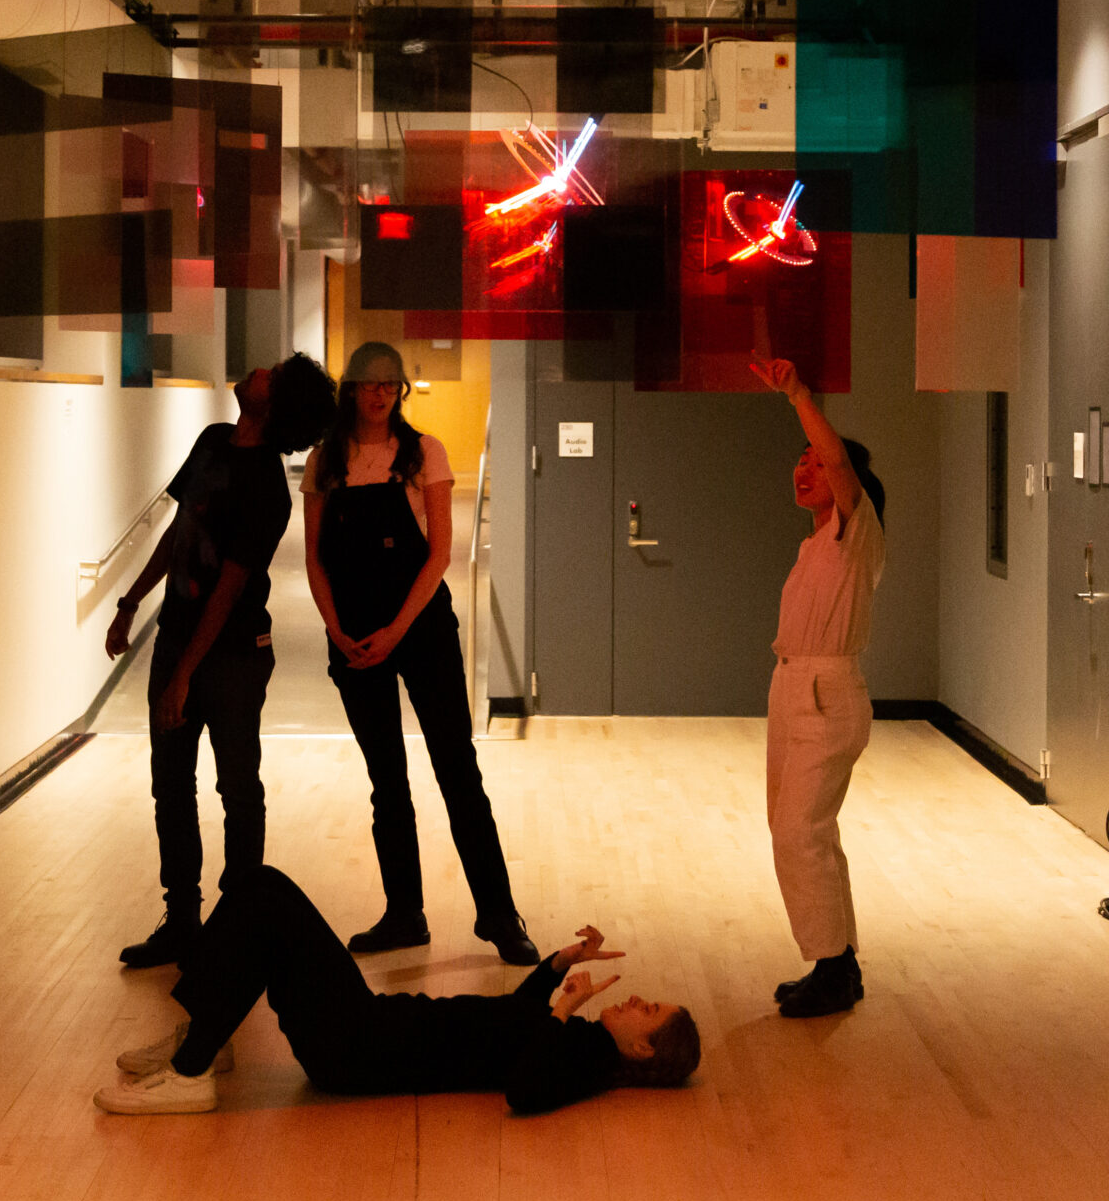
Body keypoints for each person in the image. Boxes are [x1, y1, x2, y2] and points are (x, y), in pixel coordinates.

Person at [91, 866, 700, 1115]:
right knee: (260, 882)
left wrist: (563, 1009)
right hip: (369, 1027)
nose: (636, 1001)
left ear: (644, 1052)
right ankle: (207, 1038)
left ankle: (193, 1070)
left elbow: (524, 1090)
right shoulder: (581, 1041)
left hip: (359, 1051)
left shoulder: (587, 1063)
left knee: (267, 908)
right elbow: (513, 1021)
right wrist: (558, 966)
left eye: (648, 1013)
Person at [302, 342, 537, 964]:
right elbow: (315, 559)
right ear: (349, 389)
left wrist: (396, 631)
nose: (379, 396)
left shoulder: (422, 451)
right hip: (354, 637)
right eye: (367, 385)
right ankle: (404, 913)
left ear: (400, 392)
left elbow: (438, 555)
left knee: (458, 771)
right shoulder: (325, 460)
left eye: (390, 386)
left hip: (421, 628)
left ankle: (499, 915)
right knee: (388, 781)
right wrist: (336, 630)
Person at [105, 354, 340, 968]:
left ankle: (238, 928)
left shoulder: (267, 484)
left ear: (276, 401)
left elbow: (231, 585)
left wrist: (184, 674)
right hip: (178, 641)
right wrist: (131, 600)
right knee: (170, 787)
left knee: (237, 787)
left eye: (270, 372)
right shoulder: (212, 441)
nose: (256, 369)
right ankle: (181, 921)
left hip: (232, 657)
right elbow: (179, 530)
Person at [748, 354, 888, 1019]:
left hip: (827, 695)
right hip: (794, 689)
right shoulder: (815, 544)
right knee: (807, 831)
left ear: (847, 481)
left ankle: (831, 967)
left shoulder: (855, 534)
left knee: (798, 831)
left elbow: (837, 460)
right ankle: (840, 962)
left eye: (815, 461)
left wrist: (798, 392)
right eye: (798, 461)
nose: (805, 468)